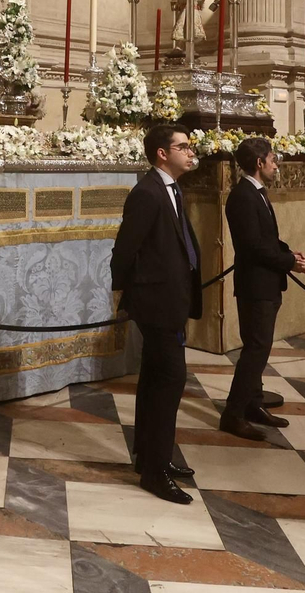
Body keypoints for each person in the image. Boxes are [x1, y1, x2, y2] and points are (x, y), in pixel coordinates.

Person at [110, 123, 202, 504]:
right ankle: (155, 471)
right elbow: (124, 250)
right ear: (162, 154)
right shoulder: (147, 193)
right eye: (182, 147)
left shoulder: (173, 188)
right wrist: (129, 295)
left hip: (171, 299)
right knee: (171, 381)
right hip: (157, 303)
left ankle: (149, 457)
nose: (190, 152)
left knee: (154, 381)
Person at [220, 138, 305, 440]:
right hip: (255, 284)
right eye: (272, 158)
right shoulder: (243, 196)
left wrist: (288, 254)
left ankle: (253, 404)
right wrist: (288, 262)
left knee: (260, 347)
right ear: (259, 163)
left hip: (266, 281)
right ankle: (232, 414)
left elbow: (266, 239)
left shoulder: (256, 193)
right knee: (255, 350)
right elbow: (252, 247)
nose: (276, 163)